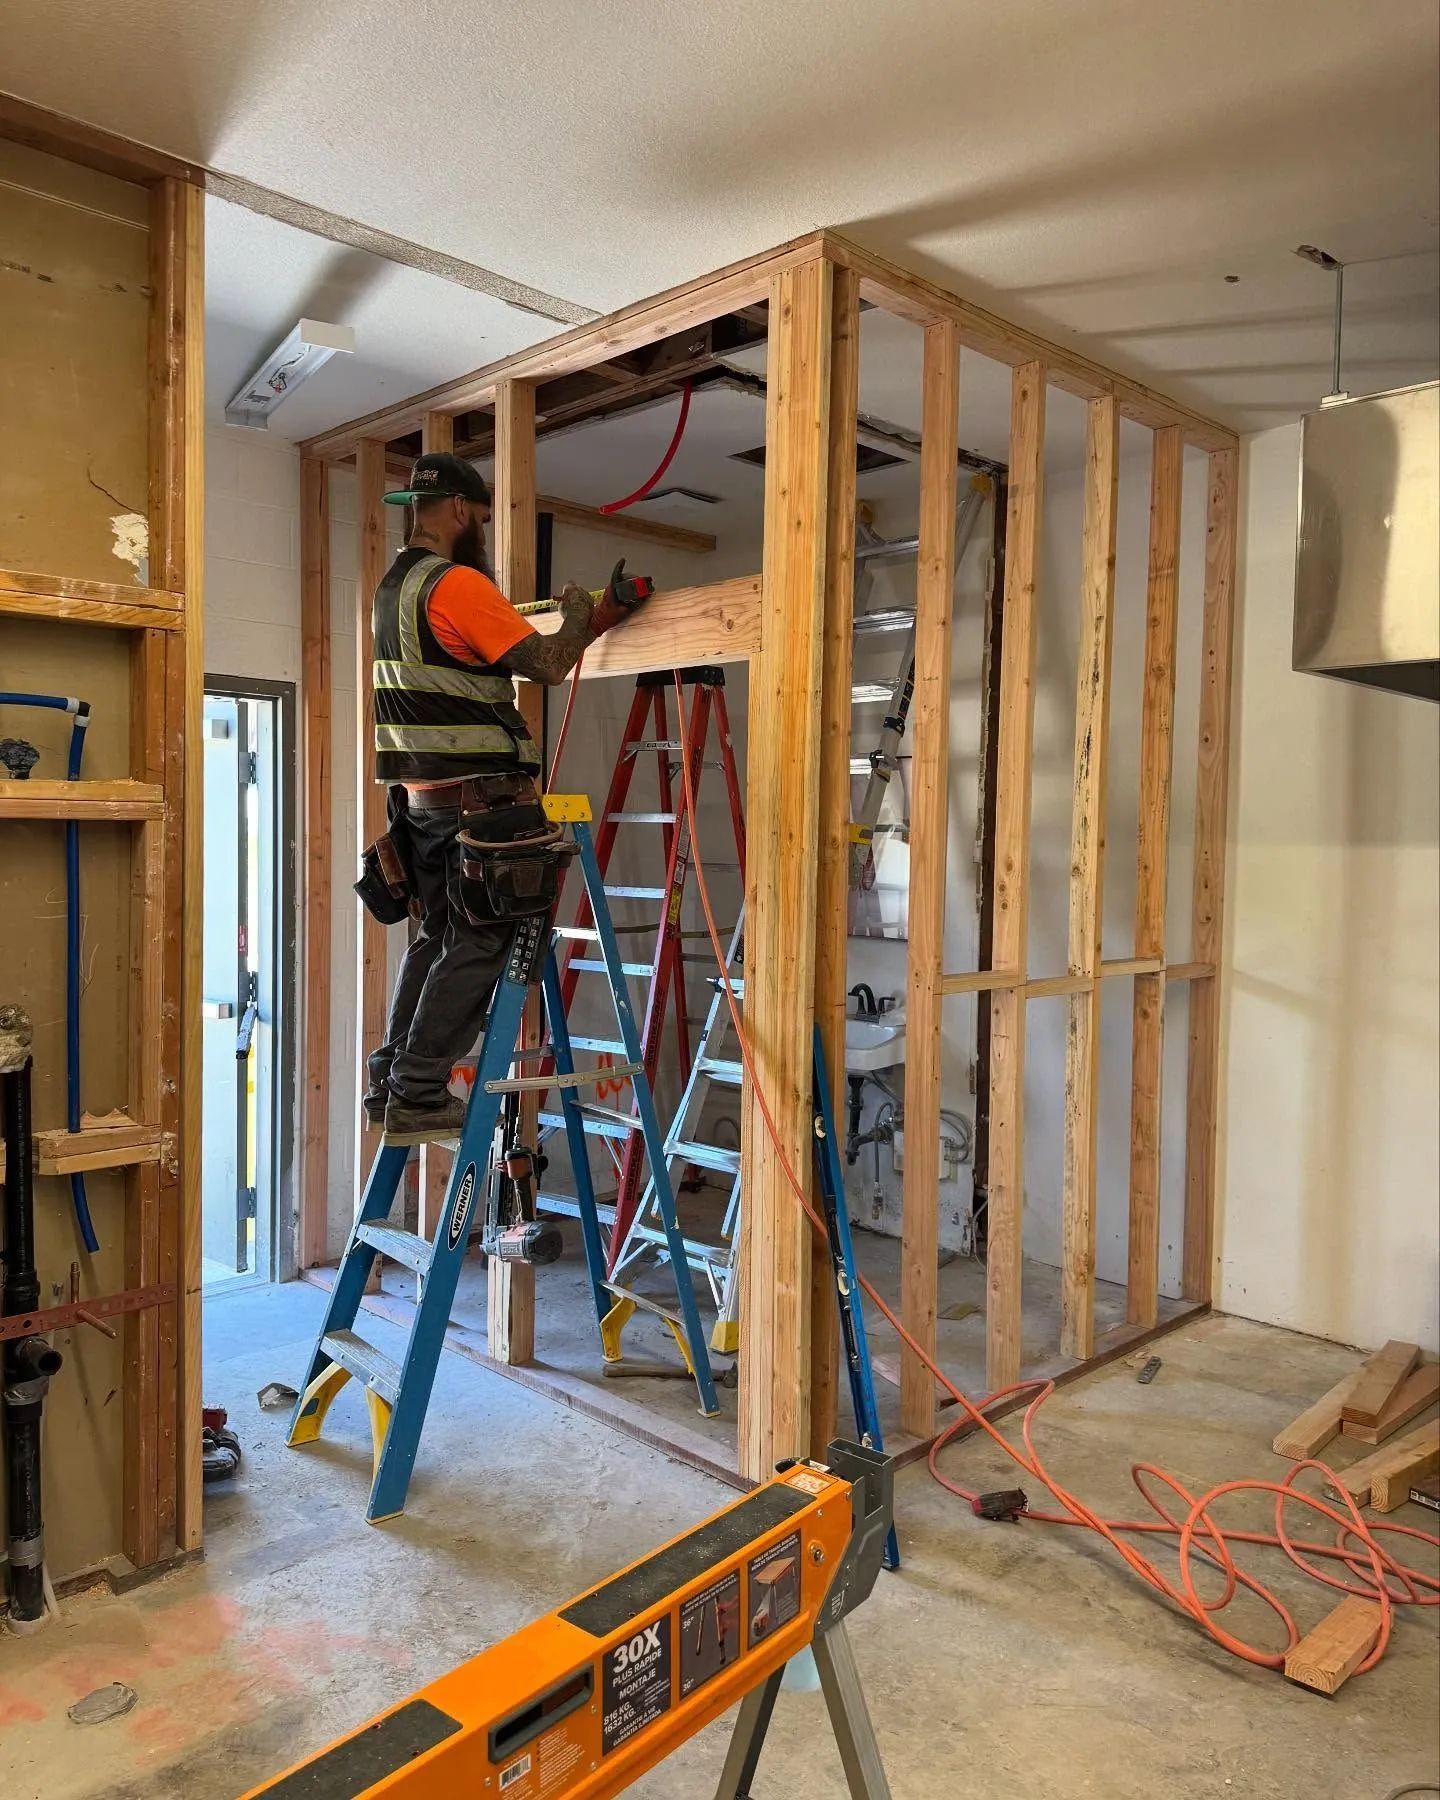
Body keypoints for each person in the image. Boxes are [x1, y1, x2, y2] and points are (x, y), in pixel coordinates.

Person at [362, 451, 644, 1141]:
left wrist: (600, 616)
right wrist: (578, 613)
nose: (483, 528)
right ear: (460, 511)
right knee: (483, 942)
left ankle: (392, 1079)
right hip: (479, 803)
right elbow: (546, 664)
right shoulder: (456, 584)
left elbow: (489, 658)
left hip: (423, 804)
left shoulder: (394, 589)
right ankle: (420, 1091)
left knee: (437, 939)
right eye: (482, 516)